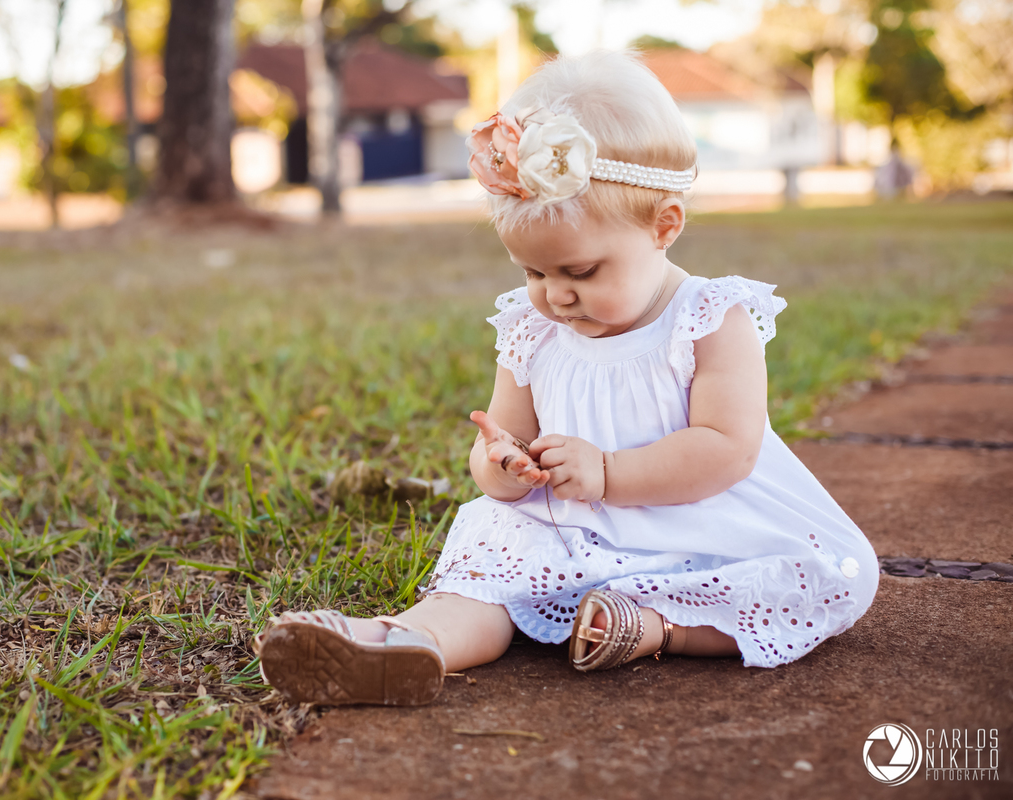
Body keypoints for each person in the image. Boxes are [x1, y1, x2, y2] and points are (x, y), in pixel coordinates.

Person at [253, 50, 879, 706]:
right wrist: (500, 464)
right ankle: (399, 644)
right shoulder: (532, 326)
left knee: (837, 574)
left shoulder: (709, 318)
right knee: (488, 572)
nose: (553, 296)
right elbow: (505, 435)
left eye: (578, 273)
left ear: (664, 227)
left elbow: (728, 448)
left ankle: (664, 627)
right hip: (570, 530)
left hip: (698, 527)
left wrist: (610, 474)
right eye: (532, 272)